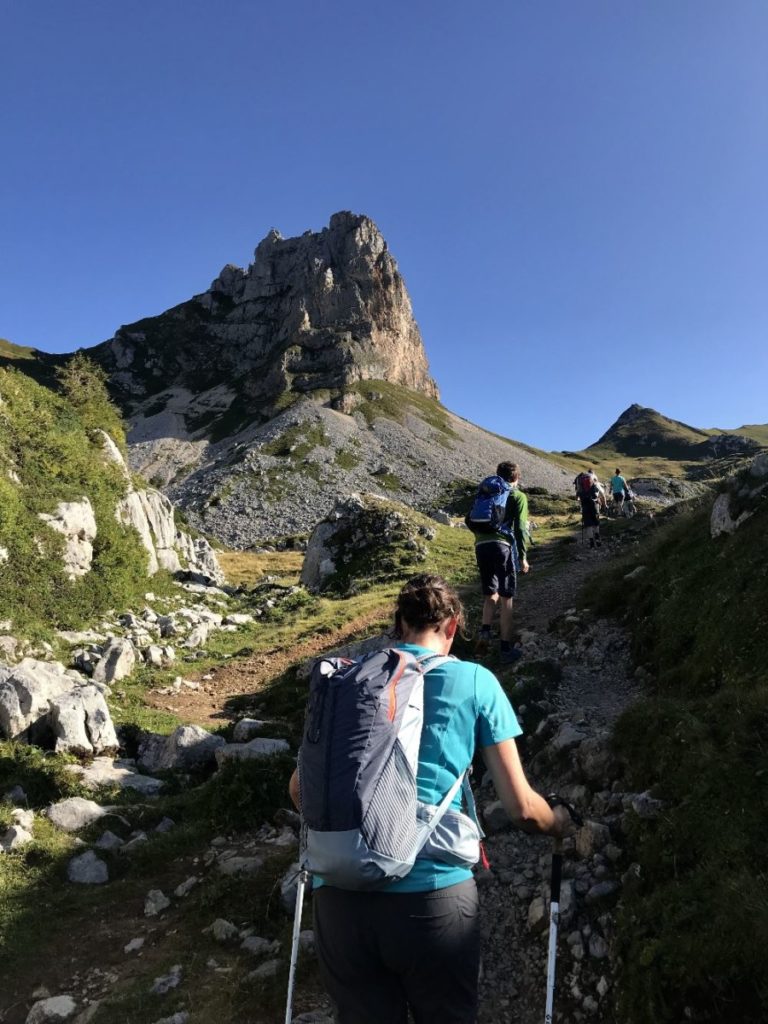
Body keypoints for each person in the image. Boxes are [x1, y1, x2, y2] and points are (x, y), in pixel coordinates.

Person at [289, 574, 573, 1024]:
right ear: (453, 626)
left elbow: (298, 789)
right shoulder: (475, 681)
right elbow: (521, 808)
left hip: (340, 901)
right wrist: (559, 823)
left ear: (397, 624)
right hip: (431, 899)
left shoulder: (354, 680)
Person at [473, 461, 530, 664]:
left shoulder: (486, 493)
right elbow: (521, 529)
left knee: (490, 594)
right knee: (507, 597)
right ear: (516, 478)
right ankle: (505, 649)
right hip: (502, 546)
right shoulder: (518, 496)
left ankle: (484, 637)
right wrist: (522, 556)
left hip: (481, 545)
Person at [575, 468, 605, 549]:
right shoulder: (594, 483)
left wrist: (580, 501)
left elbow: (577, 497)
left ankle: (591, 542)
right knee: (596, 523)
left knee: (588, 525)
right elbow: (599, 494)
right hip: (594, 505)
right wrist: (602, 502)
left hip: (585, 506)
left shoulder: (580, 487)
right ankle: (597, 538)